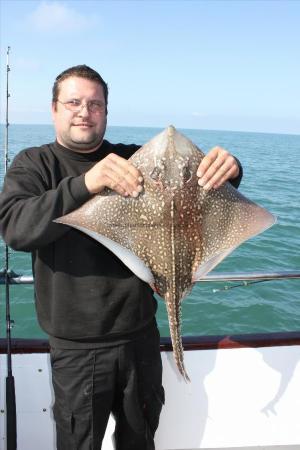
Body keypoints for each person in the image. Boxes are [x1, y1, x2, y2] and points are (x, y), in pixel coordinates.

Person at [0, 65, 243, 450]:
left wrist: (230, 171)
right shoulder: (34, 164)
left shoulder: (135, 160)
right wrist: (86, 184)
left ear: (106, 113)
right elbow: (16, 229)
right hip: (77, 347)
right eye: (74, 102)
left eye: (95, 104)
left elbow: (193, 188)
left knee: (140, 439)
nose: (84, 111)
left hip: (140, 337)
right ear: (53, 110)